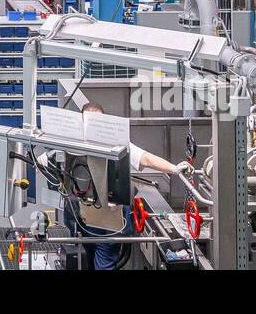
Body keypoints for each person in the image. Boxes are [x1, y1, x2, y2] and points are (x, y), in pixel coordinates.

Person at [69, 103, 184, 270]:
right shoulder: (73, 144)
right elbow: (47, 160)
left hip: (108, 220)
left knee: (103, 265)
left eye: (97, 122)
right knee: (85, 258)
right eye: (89, 123)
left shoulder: (117, 144)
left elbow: (146, 159)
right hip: (82, 217)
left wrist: (174, 168)